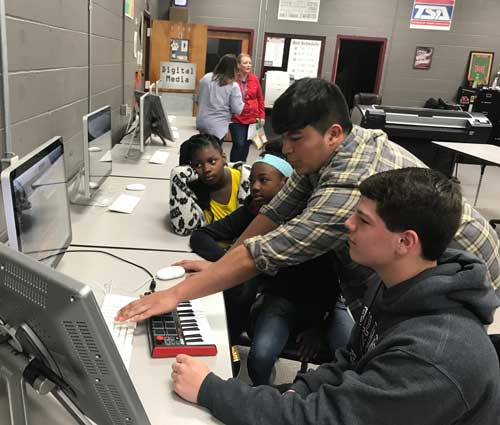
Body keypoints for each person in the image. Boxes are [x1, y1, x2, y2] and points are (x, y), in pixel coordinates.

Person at [117, 78, 500, 326]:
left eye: (295, 139)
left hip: (463, 269)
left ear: (332, 133)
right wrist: (220, 265)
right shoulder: (329, 150)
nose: (286, 149)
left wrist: (174, 296)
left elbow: (267, 251)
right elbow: (273, 214)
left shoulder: (349, 185)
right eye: (283, 137)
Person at [170, 167, 500, 425]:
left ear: (405, 242)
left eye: (363, 220)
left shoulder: (433, 357)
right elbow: (349, 363)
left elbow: (322, 419)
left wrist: (211, 390)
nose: (348, 224)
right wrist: (288, 395)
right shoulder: (391, 284)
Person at [187, 142, 351, 384]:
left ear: (287, 185)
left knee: (352, 357)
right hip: (281, 299)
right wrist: (228, 262)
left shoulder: (311, 223)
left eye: (263, 180)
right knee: (260, 358)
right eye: (252, 181)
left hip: (326, 305)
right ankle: (266, 394)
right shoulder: (254, 211)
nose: (254, 187)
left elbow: (330, 283)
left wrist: (318, 327)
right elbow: (200, 236)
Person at [170, 133, 251, 236]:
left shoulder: (249, 182)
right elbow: (183, 229)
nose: (206, 169)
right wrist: (177, 175)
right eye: (198, 165)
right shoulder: (195, 191)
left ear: (224, 158)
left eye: (212, 162)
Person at [196, 54, 244, 141]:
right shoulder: (233, 85)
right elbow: (237, 109)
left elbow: (197, 99)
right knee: (214, 148)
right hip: (218, 126)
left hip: (202, 121)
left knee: (203, 146)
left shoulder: (206, 78)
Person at [228, 53, 265, 162]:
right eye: (245, 63)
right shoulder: (233, 79)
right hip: (237, 118)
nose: (248, 65)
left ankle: (242, 165)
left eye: (250, 63)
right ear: (238, 65)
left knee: (247, 144)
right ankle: (233, 166)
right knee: (239, 143)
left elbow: (260, 98)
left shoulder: (254, 79)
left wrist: (262, 116)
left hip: (253, 118)